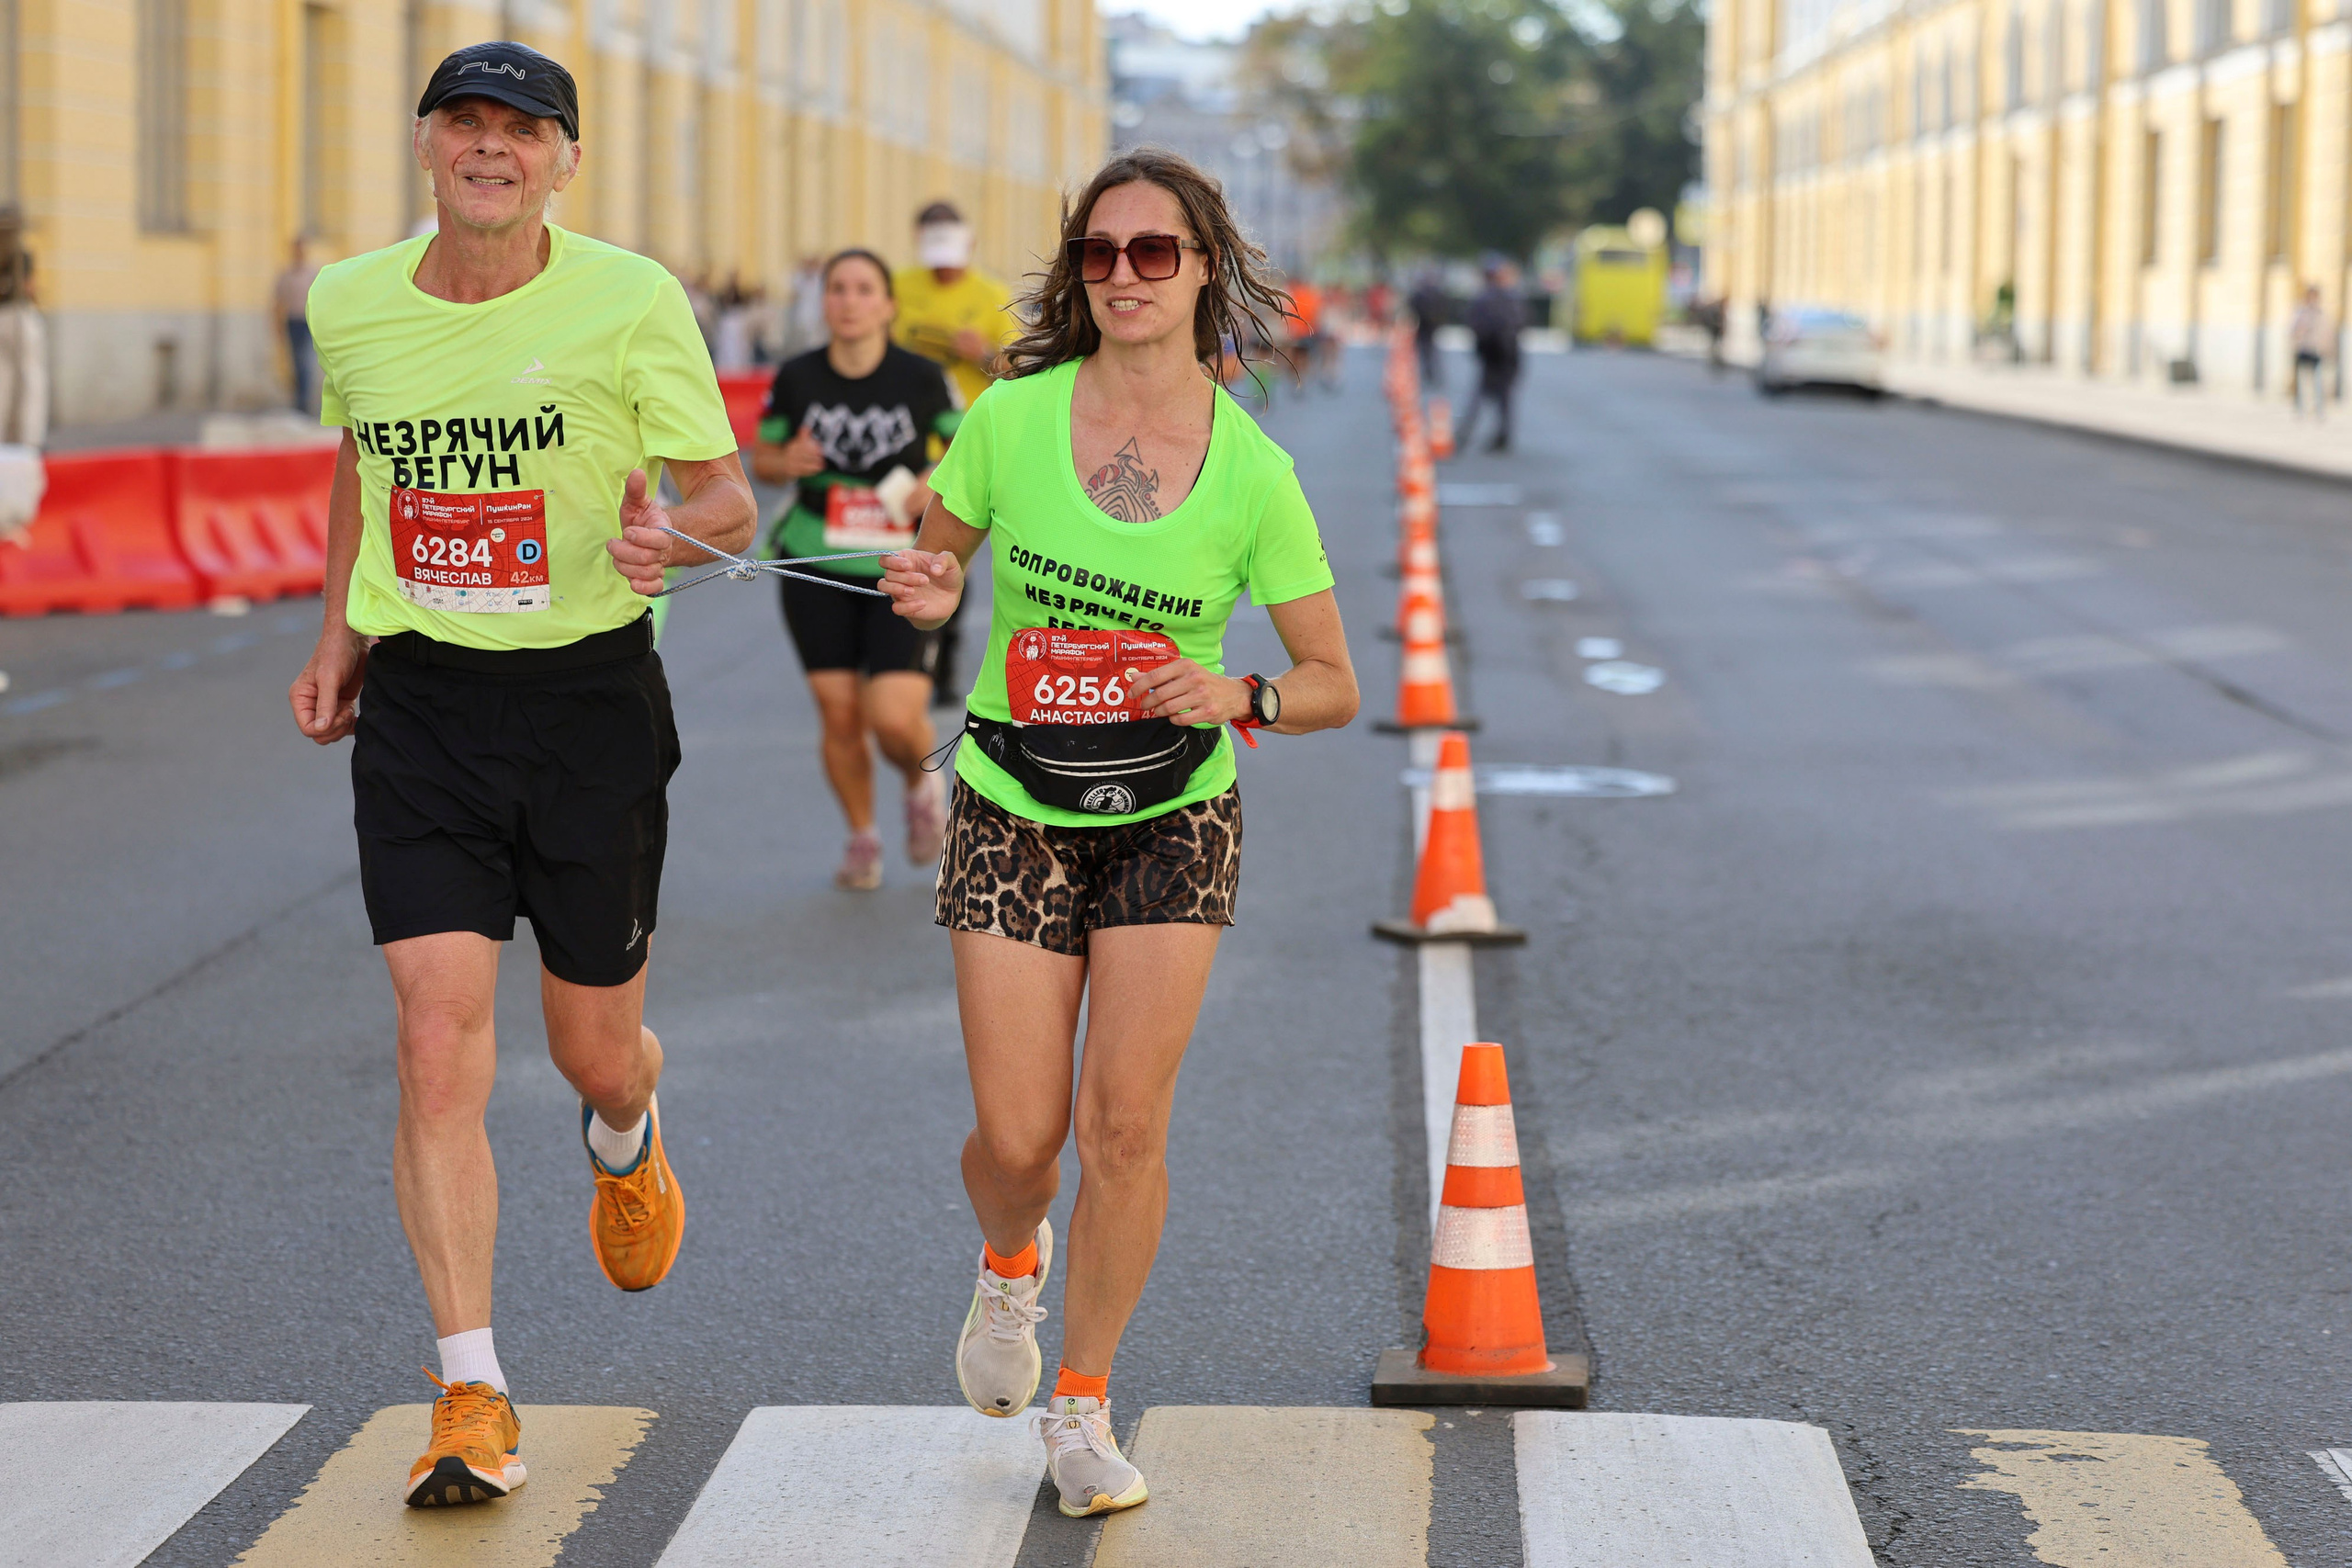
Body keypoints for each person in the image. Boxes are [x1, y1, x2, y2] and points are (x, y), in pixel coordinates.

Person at [287, 40, 753, 1511]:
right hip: (424, 701)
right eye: (466, 124)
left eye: (522, 130)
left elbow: (725, 494)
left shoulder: (631, 297)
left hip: (588, 702)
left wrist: (675, 536)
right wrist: (342, 634)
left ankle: (628, 1129)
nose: (492, 149)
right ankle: (470, 1384)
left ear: (563, 159)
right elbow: (365, 464)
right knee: (436, 1037)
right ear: (426, 145)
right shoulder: (350, 301)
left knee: (591, 1047)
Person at [878, 147, 1360, 1518]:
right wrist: (921, 590)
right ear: (1075, 273)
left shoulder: (1254, 469)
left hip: (1172, 812)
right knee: (1021, 1139)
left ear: (1206, 268)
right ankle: (1009, 1253)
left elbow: (1333, 681)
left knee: (1125, 1125)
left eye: (1156, 252)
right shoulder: (1010, 417)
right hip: (1016, 799)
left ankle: (1081, 1405)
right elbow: (932, 566)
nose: (1126, 275)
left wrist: (1242, 689)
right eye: (1101, 253)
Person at [751, 249, 960, 889]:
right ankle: (863, 837)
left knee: (892, 715)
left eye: (864, 288)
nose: (848, 299)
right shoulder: (796, 376)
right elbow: (762, 456)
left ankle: (921, 781)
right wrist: (788, 461)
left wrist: (934, 480)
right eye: (837, 288)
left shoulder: (922, 377)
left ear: (888, 305)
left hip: (903, 565)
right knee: (838, 711)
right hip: (817, 555)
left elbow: (970, 445)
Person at [894, 201, 1015, 707]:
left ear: (968, 243)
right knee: (905, 553)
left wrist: (982, 350)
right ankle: (903, 653)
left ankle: (943, 657)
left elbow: (1016, 368)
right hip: (901, 441)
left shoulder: (992, 296)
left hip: (964, 444)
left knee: (948, 554)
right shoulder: (900, 288)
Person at [1462, 257, 1525, 453]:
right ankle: (1501, 436)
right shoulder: (1511, 297)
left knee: (1482, 397)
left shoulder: (1486, 299)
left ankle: (1466, 436)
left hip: (1494, 355)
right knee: (1502, 398)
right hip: (1506, 354)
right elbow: (1522, 323)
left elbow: (1475, 324)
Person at [275, 235, 322, 413]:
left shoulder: (312, 274)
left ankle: (304, 401)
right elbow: (278, 302)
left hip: (307, 323)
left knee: (306, 362)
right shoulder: (286, 275)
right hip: (292, 322)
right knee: (295, 362)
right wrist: (278, 327)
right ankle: (298, 399)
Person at [2290, 283, 2332, 419]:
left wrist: (2326, 347)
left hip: (2317, 351)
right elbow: (2293, 330)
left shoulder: (2321, 313)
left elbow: (2326, 332)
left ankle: (2318, 410)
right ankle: (2302, 409)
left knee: (2318, 382)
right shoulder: (2301, 312)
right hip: (2303, 349)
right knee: (2302, 381)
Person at [1408, 271, 1446, 389]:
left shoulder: (1423, 294)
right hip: (1428, 325)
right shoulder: (1434, 293)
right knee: (1429, 350)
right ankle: (1431, 373)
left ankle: (1431, 373)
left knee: (1427, 350)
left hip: (1427, 325)